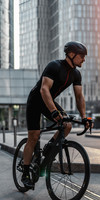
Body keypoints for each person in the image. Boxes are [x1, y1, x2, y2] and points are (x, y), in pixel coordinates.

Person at [22, 41, 92, 188]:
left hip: (48, 102)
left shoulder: (76, 74)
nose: (84, 59)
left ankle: (48, 150)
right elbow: (44, 89)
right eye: (82, 56)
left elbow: (79, 97)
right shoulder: (54, 66)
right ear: (72, 55)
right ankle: (25, 172)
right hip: (36, 101)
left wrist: (85, 117)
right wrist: (54, 111)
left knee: (67, 125)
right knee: (34, 136)